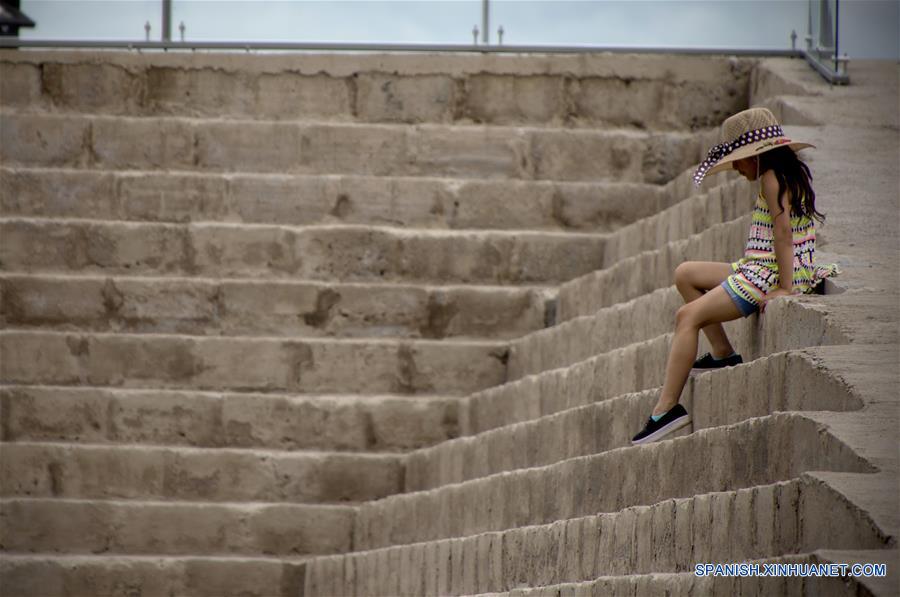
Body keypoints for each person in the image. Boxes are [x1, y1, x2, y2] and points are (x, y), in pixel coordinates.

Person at [631, 107, 839, 445]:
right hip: (757, 265)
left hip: (767, 274)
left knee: (686, 317)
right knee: (685, 274)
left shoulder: (772, 179)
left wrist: (786, 287)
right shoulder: (778, 175)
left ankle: (665, 410)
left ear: (757, 156)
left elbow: (784, 233)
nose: (737, 168)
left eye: (740, 160)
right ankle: (724, 354)